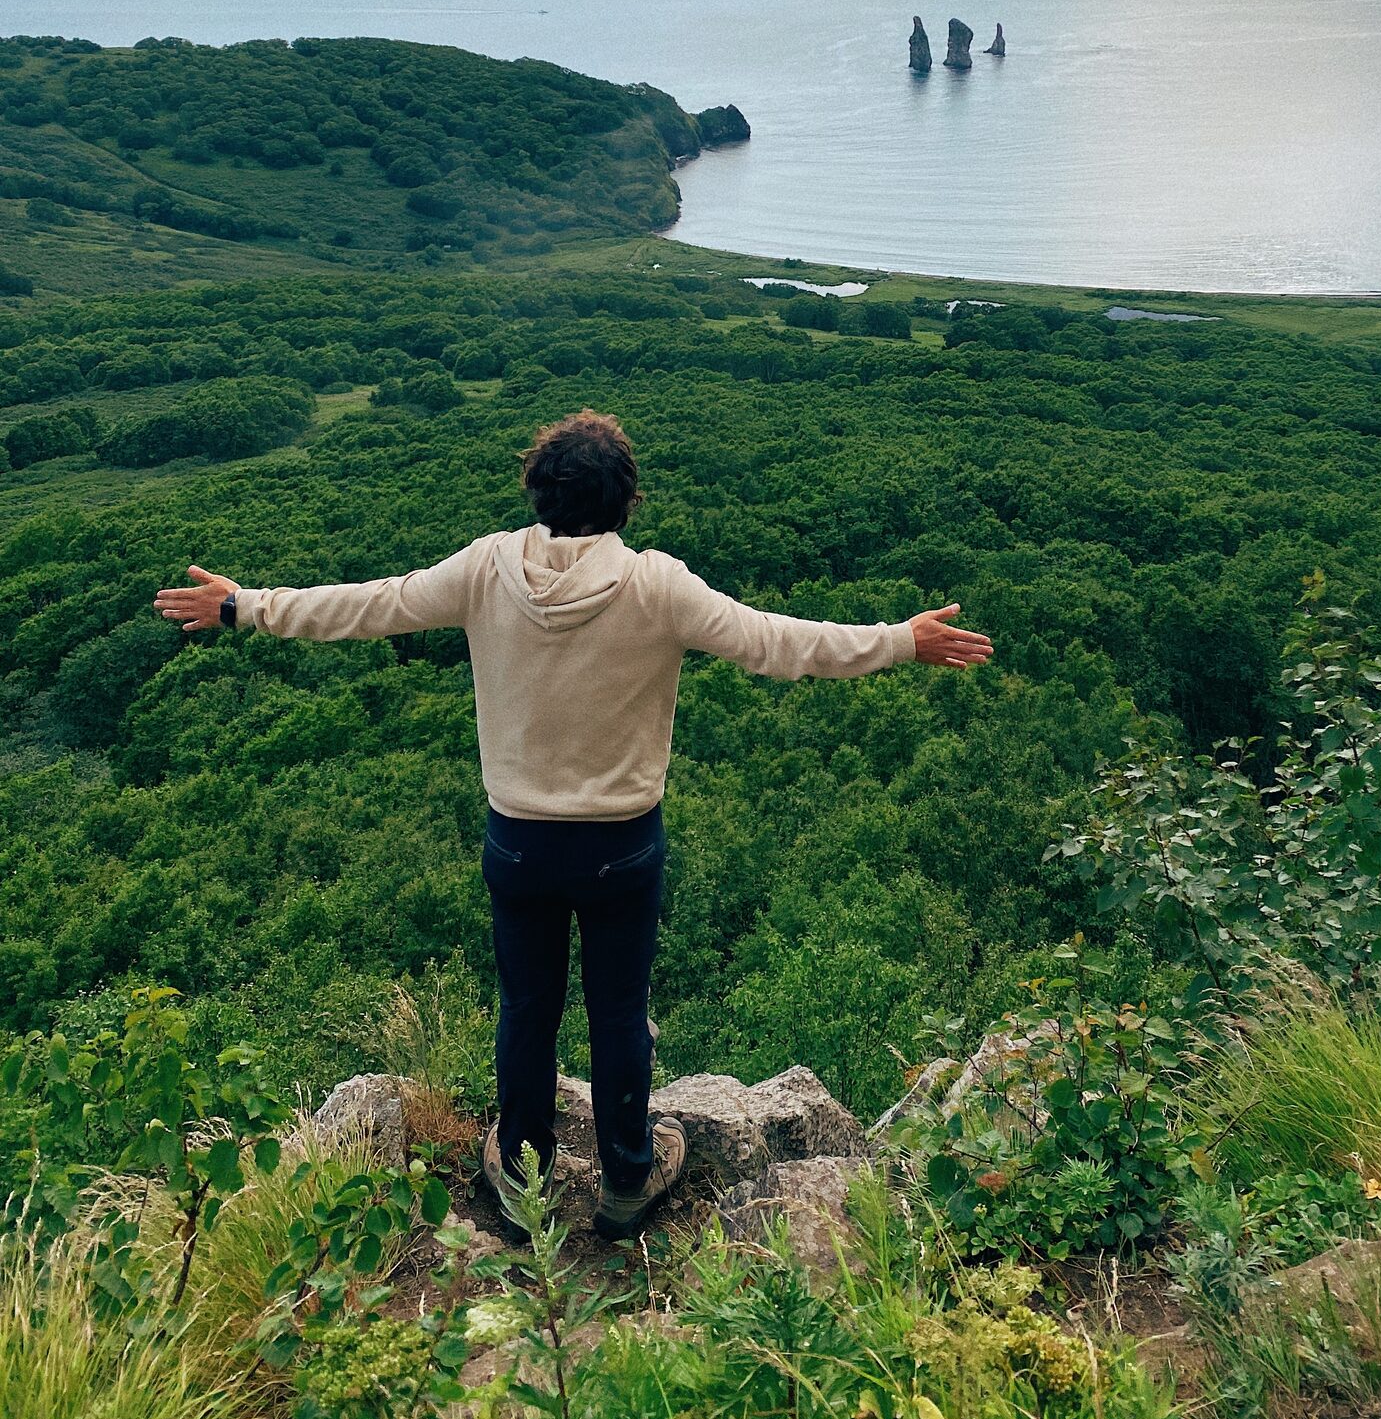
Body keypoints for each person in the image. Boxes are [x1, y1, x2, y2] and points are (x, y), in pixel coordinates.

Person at [154, 409, 992, 1239]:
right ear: (626, 503)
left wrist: (245, 607)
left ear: (537, 493)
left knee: (528, 1008)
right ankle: (627, 1177)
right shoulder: (656, 584)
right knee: (619, 1012)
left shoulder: (487, 568)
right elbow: (775, 643)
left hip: (518, 841)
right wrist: (898, 641)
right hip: (621, 844)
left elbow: (371, 606)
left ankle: (523, 1175)